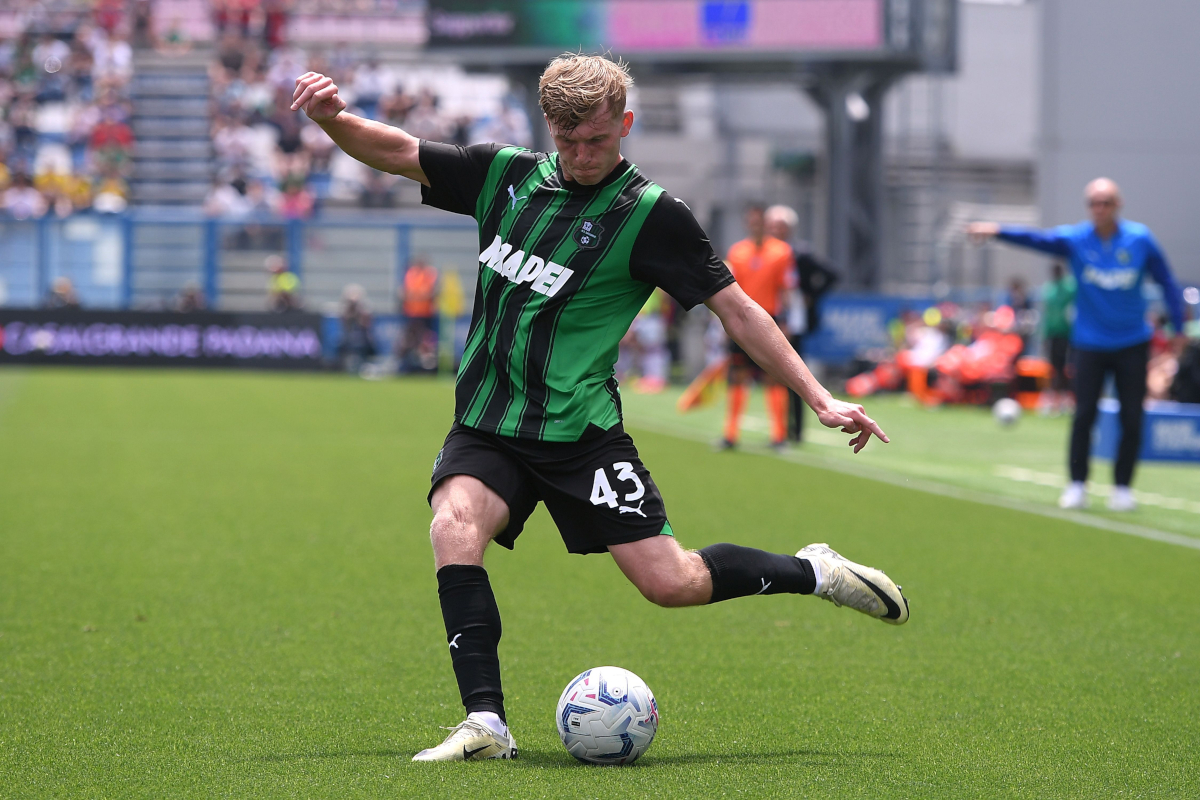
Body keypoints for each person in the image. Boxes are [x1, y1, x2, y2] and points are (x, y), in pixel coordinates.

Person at [293, 54, 906, 764]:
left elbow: (738, 311)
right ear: (548, 129)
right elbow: (395, 150)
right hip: (488, 425)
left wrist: (820, 398)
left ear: (626, 125)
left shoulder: (652, 217)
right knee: (454, 527)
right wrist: (331, 118)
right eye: (568, 141)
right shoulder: (506, 176)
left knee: (670, 584)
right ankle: (485, 724)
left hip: (581, 437)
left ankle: (812, 571)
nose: (583, 156)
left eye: (598, 140)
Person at [968, 178, 1186, 512]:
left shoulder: (1139, 240)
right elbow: (1036, 239)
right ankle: (1077, 484)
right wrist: (997, 230)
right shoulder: (1077, 239)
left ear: (1118, 204)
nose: (1100, 209)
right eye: (1094, 203)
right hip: (1089, 343)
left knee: (1132, 417)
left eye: (1107, 202)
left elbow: (1167, 281)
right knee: (1083, 414)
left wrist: (1179, 326)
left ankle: (1123, 488)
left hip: (1131, 341)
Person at [721, 204, 796, 450]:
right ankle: (730, 434)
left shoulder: (781, 252)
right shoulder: (737, 252)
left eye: (760, 221)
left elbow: (786, 288)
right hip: (741, 321)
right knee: (737, 377)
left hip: (769, 320)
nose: (756, 225)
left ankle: (779, 435)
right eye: (752, 221)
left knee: (774, 377)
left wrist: (786, 322)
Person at [765, 204, 839, 443]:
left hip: (793, 320)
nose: (776, 230)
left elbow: (832, 274)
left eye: (780, 226)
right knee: (772, 374)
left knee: (795, 372)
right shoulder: (764, 252)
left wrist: (811, 295)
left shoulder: (800, 253)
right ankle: (778, 427)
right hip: (770, 316)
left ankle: (796, 429)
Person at [1040, 262, 1076, 415]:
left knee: (1070, 368)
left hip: (1068, 334)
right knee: (1055, 368)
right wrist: (1044, 334)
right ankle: (1055, 399)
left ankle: (1068, 399)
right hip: (1053, 334)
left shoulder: (1070, 287)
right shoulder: (1049, 289)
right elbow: (1047, 314)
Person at [396, 257, 439, 373]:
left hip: (426, 314)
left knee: (427, 341)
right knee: (409, 340)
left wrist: (415, 296)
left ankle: (428, 364)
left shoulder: (430, 273)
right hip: (411, 314)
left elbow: (430, 292)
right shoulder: (411, 274)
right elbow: (404, 292)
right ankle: (405, 364)